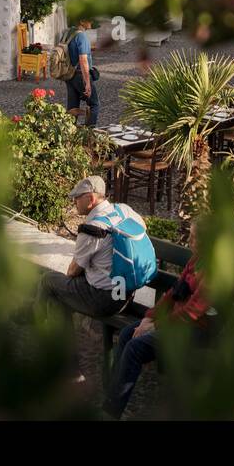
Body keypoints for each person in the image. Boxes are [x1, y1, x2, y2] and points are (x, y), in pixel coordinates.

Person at [103, 223, 213, 419]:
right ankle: (111, 400)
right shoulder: (197, 260)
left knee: (135, 347)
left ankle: (111, 412)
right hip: (176, 323)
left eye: (195, 237)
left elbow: (192, 312)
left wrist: (156, 325)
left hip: (196, 330)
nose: (190, 241)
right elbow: (173, 293)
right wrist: (149, 318)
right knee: (129, 333)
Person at [39, 177, 128, 373]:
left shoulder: (93, 228)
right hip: (126, 295)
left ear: (90, 198)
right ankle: (68, 368)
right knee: (59, 298)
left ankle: (35, 318)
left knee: (49, 281)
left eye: (76, 198)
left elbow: (72, 271)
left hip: (104, 299)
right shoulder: (123, 211)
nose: (74, 202)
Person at [66, 17, 99, 126]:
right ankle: (88, 136)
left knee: (72, 107)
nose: (91, 21)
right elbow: (83, 60)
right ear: (81, 21)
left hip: (69, 74)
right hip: (81, 75)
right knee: (94, 105)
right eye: (89, 19)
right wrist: (87, 82)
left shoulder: (68, 33)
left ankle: (69, 134)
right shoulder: (81, 36)